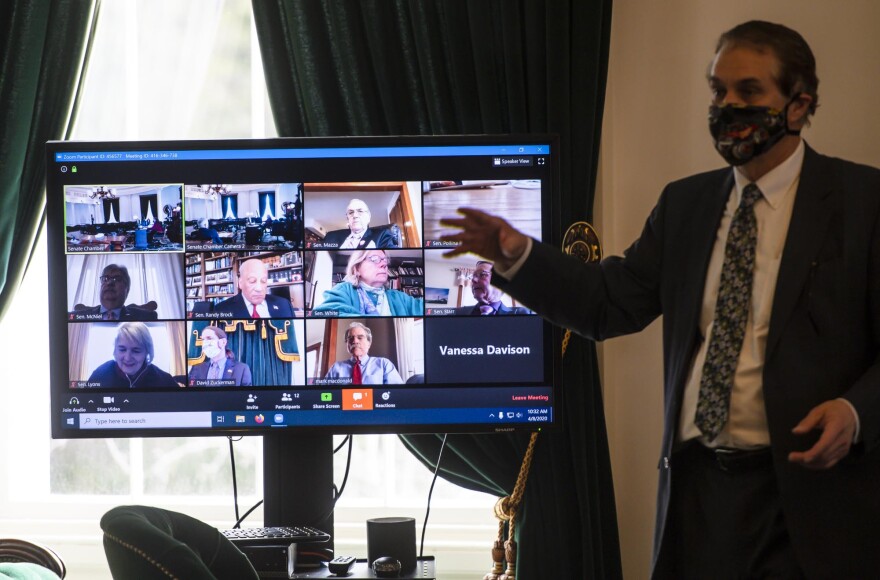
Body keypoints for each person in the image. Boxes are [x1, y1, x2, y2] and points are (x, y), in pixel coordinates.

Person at [441, 21, 880, 579]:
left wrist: (856, 411)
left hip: (808, 503)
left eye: (749, 92)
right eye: (718, 91)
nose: (728, 106)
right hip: (698, 496)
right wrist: (518, 254)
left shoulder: (863, 203)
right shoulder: (686, 206)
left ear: (798, 106)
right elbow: (607, 303)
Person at [312, 250, 423, 316]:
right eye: (374, 259)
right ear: (356, 269)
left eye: (385, 260)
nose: (384, 265)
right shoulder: (344, 289)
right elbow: (323, 312)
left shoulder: (399, 297)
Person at [88, 322, 179, 388]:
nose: (127, 358)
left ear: (147, 352)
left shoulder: (165, 380)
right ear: (115, 350)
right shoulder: (99, 375)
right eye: (122, 349)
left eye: (136, 351)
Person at [324, 322, 404, 384]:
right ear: (347, 344)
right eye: (350, 338)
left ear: (369, 343)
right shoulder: (336, 367)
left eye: (360, 338)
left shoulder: (383, 364)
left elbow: (397, 395)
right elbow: (323, 393)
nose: (355, 341)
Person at [214, 258, 295, 318]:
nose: (259, 288)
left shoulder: (285, 305)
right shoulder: (220, 310)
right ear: (240, 283)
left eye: (263, 281)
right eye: (252, 281)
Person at [72, 264, 158, 321]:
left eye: (117, 279)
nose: (109, 283)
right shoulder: (76, 317)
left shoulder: (147, 317)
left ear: (127, 289)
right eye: (105, 279)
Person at [454, 260, 532, 315]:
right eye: (473, 276)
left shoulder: (524, 314)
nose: (473, 280)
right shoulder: (458, 313)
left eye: (482, 274)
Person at [321, 198, 399, 248]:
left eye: (360, 211)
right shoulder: (330, 236)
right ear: (347, 218)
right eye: (350, 212)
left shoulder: (382, 235)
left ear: (368, 217)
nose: (355, 215)